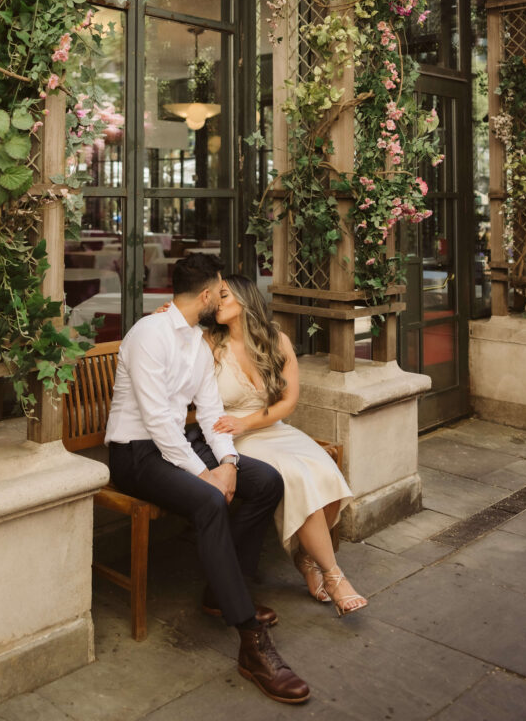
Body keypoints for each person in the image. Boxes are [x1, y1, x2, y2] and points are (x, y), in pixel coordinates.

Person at [105, 253, 310, 705]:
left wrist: (231, 464)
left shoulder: (198, 342)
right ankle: (251, 642)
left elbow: (212, 412)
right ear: (203, 295)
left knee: (266, 481)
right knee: (209, 501)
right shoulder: (148, 335)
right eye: (219, 291)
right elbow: (157, 423)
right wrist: (206, 475)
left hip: (175, 444)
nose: (222, 297)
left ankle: (221, 592)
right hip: (135, 453)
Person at [210, 274, 367, 617]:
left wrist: (248, 420)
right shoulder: (210, 342)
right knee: (297, 474)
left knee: (324, 468)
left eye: (223, 296)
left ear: (244, 299)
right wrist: (165, 314)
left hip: (270, 427)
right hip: (231, 438)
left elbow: (288, 401)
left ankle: (306, 557)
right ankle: (333, 574)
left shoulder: (276, 341)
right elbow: (172, 336)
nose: (216, 302)